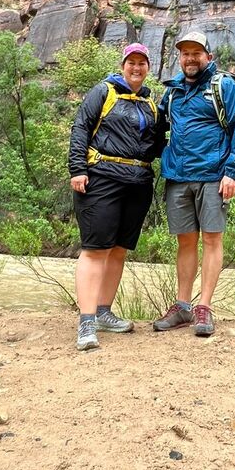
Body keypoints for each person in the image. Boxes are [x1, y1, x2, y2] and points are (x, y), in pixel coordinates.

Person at [153, 29, 235, 337]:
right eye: (185, 53)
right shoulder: (171, 92)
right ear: (179, 58)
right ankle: (183, 306)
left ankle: (204, 308)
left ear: (208, 57)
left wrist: (234, 172)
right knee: (185, 242)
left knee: (212, 240)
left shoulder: (222, 86)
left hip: (214, 176)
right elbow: (157, 131)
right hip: (179, 178)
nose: (190, 58)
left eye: (196, 52)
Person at [68, 42, 162, 351]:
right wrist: (77, 169)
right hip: (102, 178)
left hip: (138, 182)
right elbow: (81, 127)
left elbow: (158, 143)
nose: (136, 68)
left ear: (149, 67)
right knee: (96, 249)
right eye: (131, 62)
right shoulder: (104, 91)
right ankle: (86, 322)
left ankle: (104, 312)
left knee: (119, 249)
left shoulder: (150, 104)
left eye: (142, 63)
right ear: (123, 65)